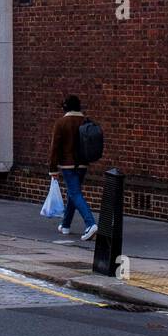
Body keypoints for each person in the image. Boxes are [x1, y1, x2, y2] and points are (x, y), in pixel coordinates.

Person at [49, 94, 98, 240]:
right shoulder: (85, 121)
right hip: (83, 164)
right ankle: (65, 225)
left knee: (75, 193)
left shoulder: (61, 123)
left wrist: (53, 169)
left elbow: (55, 148)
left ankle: (90, 224)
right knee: (73, 193)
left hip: (68, 164)